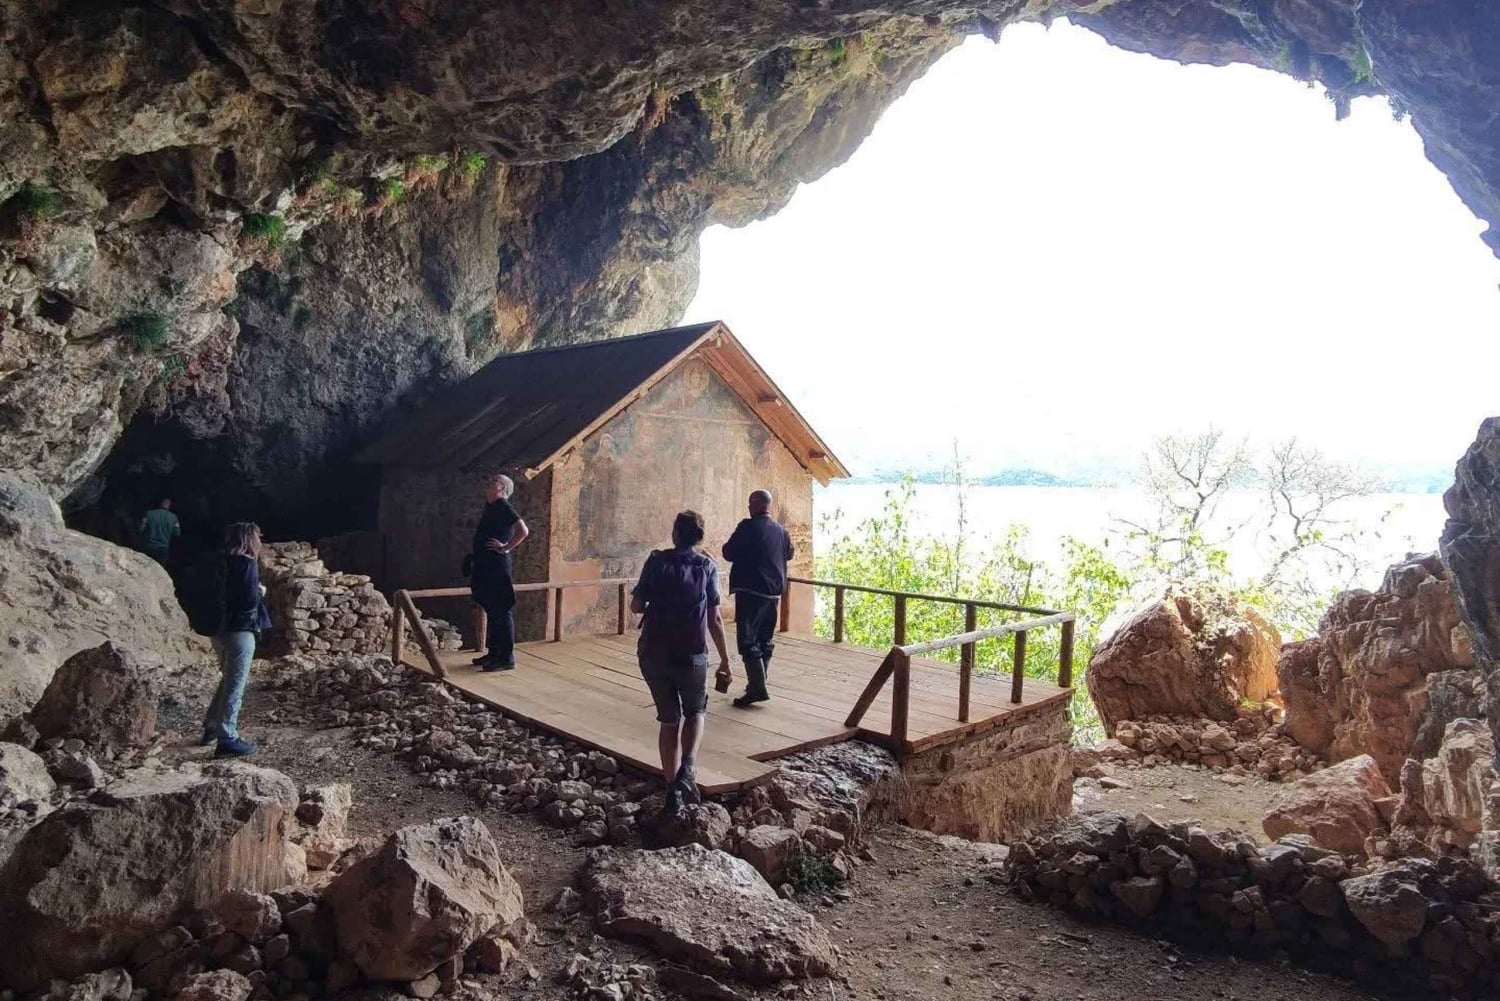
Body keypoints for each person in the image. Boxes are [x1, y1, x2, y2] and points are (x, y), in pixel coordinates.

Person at [630, 510, 731, 814]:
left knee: (669, 720)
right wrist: (726, 659)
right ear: (699, 537)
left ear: (675, 534)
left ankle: (672, 787)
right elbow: (714, 617)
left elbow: (636, 606)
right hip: (692, 654)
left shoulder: (656, 562)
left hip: (653, 652)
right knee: (696, 711)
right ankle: (688, 769)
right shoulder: (707, 567)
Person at [202, 522, 271, 758]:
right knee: (236, 684)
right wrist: (260, 592)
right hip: (240, 630)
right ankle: (227, 737)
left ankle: (212, 725)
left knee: (229, 677)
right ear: (251, 540)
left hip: (218, 629)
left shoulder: (219, 561)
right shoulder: (246, 563)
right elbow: (248, 599)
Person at [721, 488, 794, 708]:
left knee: (747, 640)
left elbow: (728, 552)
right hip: (774, 592)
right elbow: (789, 554)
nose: (748, 507)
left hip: (751, 591)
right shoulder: (781, 531)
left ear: (755, 505)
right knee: (765, 639)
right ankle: (758, 683)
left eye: (749, 503)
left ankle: (757, 688)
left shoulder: (747, 527)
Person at [471, 473, 529, 671]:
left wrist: (506, 547)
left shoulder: (504, 506)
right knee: (492, 609)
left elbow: (523, 530)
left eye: (495, 480)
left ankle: (505, 658)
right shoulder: (492, 507)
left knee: (501, 610)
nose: (490, 481)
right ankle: (494, 653)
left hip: (497, 565)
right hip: (487, 565)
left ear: (503, 489)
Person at [138, 497, 180, 565]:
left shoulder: (149, 514)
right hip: (163, 548)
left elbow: (141, 529)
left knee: (145, 566)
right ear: (169, 506)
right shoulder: (173, 517)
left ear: (160, 504)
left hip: (149, 546)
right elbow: (177, 533)